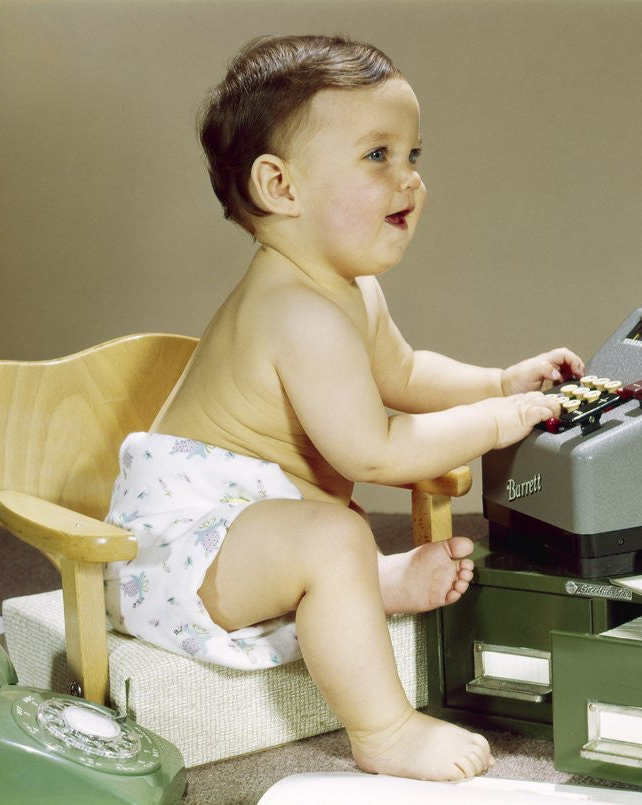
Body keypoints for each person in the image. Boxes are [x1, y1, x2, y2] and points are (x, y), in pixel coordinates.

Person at [102, 34, 584, 782]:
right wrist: (501, 422)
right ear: (280, 186)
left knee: (329, 529)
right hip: (175, 558)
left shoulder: (348, 288)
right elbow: (376, 452)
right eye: (377, 156)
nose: (409, 180)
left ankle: (369, 582)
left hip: (249, 532)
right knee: (329, 531)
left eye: (413, 155)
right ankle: (384, 729)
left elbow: (406, 371)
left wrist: (498, 381)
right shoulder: (297, 310)